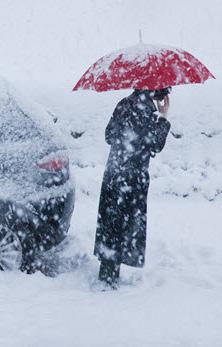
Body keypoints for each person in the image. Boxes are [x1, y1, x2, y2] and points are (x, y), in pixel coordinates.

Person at [94, 87, 172, 289]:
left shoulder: (124, 103)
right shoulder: (145, 110)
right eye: (164, 89)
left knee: (111, 223)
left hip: (113, 173)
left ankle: (107, 272)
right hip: (132, 177)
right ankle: (109, 279)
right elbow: (154, 144)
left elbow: (109, 135)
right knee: (124, 225)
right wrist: (162, 117)